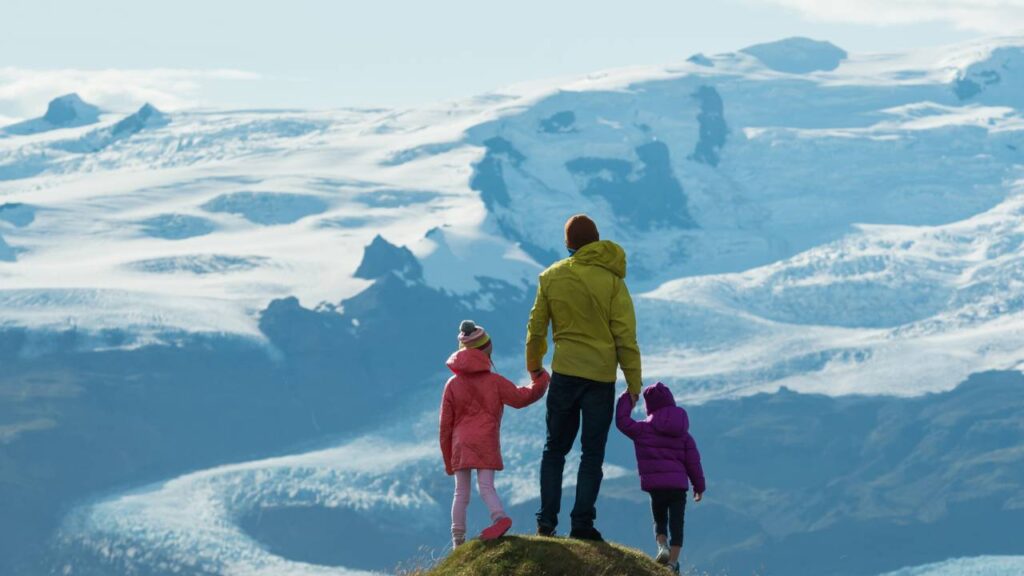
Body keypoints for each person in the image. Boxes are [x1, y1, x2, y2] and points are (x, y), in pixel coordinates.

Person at [527, 214, 642, 541]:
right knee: (592, 454)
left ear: (569, 244)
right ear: (596, 241)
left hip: (565, 374)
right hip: (600, 379)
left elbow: (536, 329)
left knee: (554, 450)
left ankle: (546, 522)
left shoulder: (551, 277)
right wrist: (634, 383)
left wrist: (534, 366)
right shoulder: (612, 280)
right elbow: (625, 337)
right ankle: (582, 524)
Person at [440, 320, 550, 549]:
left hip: (461, 443)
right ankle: (499, 518)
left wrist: (448, 459)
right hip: (485, 440)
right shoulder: (494, 381)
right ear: (486, 351)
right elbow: (521, 398)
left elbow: (445, 426)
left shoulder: (452, 384)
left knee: (461, 492)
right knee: (487, 486)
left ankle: (457, 541)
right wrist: (541, 381)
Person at [615, 382, 706, 574]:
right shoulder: (684, 435)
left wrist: (627, 397)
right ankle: (672, 563)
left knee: (660, 520)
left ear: (650, 407)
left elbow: (622, 421)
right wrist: (699, 486)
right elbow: (693, 463)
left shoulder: (643, 430)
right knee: (677, 524)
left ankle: (662, 545)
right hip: (678, 488)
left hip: (656, 486)